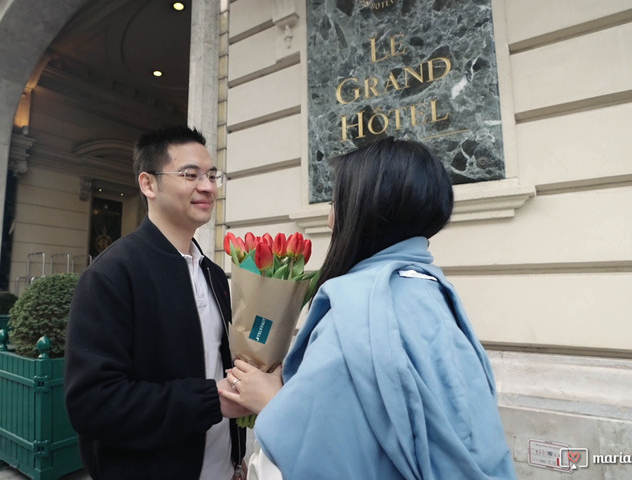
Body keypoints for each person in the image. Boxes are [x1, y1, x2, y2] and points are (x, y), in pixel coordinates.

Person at [219, 138, 517, 479]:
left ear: (363, 210)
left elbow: (334, 453)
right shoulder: (431, 289)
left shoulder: (357, 309)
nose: (331, 220)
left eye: (336, 203)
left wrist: (271, 402)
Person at [64, 125, 248, 479]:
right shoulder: (112, 275)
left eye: (212, 175)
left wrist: (234, 455)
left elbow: (216, 365)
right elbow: (93, 404)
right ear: (148, 184)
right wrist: (211, 400)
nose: (208, 187)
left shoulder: (212, 273)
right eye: (190, 175)